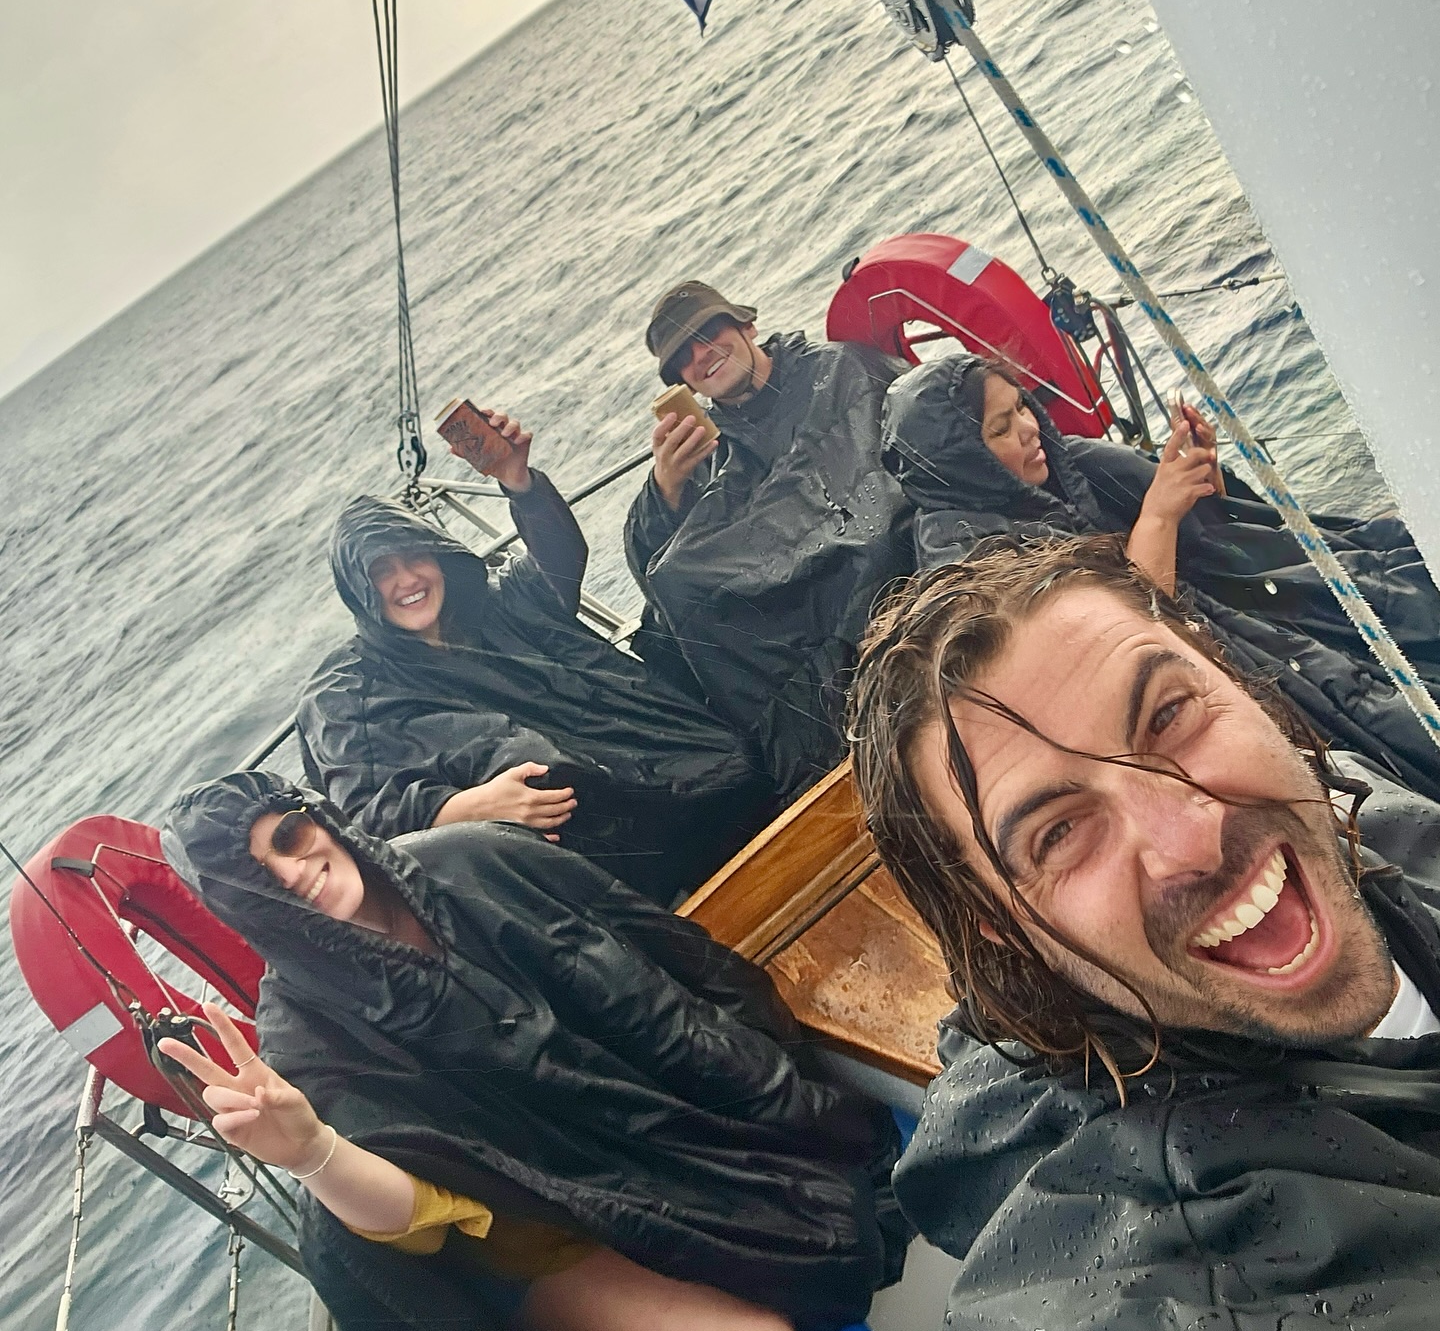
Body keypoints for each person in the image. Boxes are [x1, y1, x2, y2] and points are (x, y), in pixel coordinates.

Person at [847, 531, 1440, 1331]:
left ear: (1234, 678)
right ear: (1002, 930)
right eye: (1060, 832)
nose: (1194, 835)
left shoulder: (1359, 821)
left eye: (1167, 716)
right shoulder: (1147, 1300)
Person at [159, 772, 907, 1331]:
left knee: (844, 1178)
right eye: (258, 881)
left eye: (288, 837)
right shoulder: (304, 1041)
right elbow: (419, 1219)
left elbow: (665, 957)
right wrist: (313, 1153)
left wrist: (774, 1087)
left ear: (314, 815)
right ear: (238, 910)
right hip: (534, 1234)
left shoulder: (477, 858)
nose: (293, 871)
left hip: (651, 1138)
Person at [882, 351, 1440, 801]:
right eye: (1001, 428)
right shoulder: (973, 560)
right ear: (962, 461)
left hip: (1234, 623)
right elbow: (1100, 652)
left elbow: (1215, 538)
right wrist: (1160, 514)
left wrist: (1200, 479)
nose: (1029, 429)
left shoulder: (1066, 468)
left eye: (1023, 408)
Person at [296, 407, 773, 907]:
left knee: (733, 762)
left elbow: (558, 561)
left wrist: (517, 480)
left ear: (436, 555)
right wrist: (466, 806)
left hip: (661, 778)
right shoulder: (349, 694)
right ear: (359, 592)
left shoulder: (497, 603)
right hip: (570, 844)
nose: (406, 581)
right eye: (381, 572)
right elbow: (368, 817)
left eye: (413, 558)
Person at [624, 283, 913, 798]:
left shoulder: (838, 369)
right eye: (683, 357)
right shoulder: (708, 453)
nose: (702, 355)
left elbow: (911, 424)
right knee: (672, 598)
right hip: (805, 598)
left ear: (745, 325)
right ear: (681, 383)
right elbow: (657, 569)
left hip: (883, 541)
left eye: (708, 332)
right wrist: (665, 490)